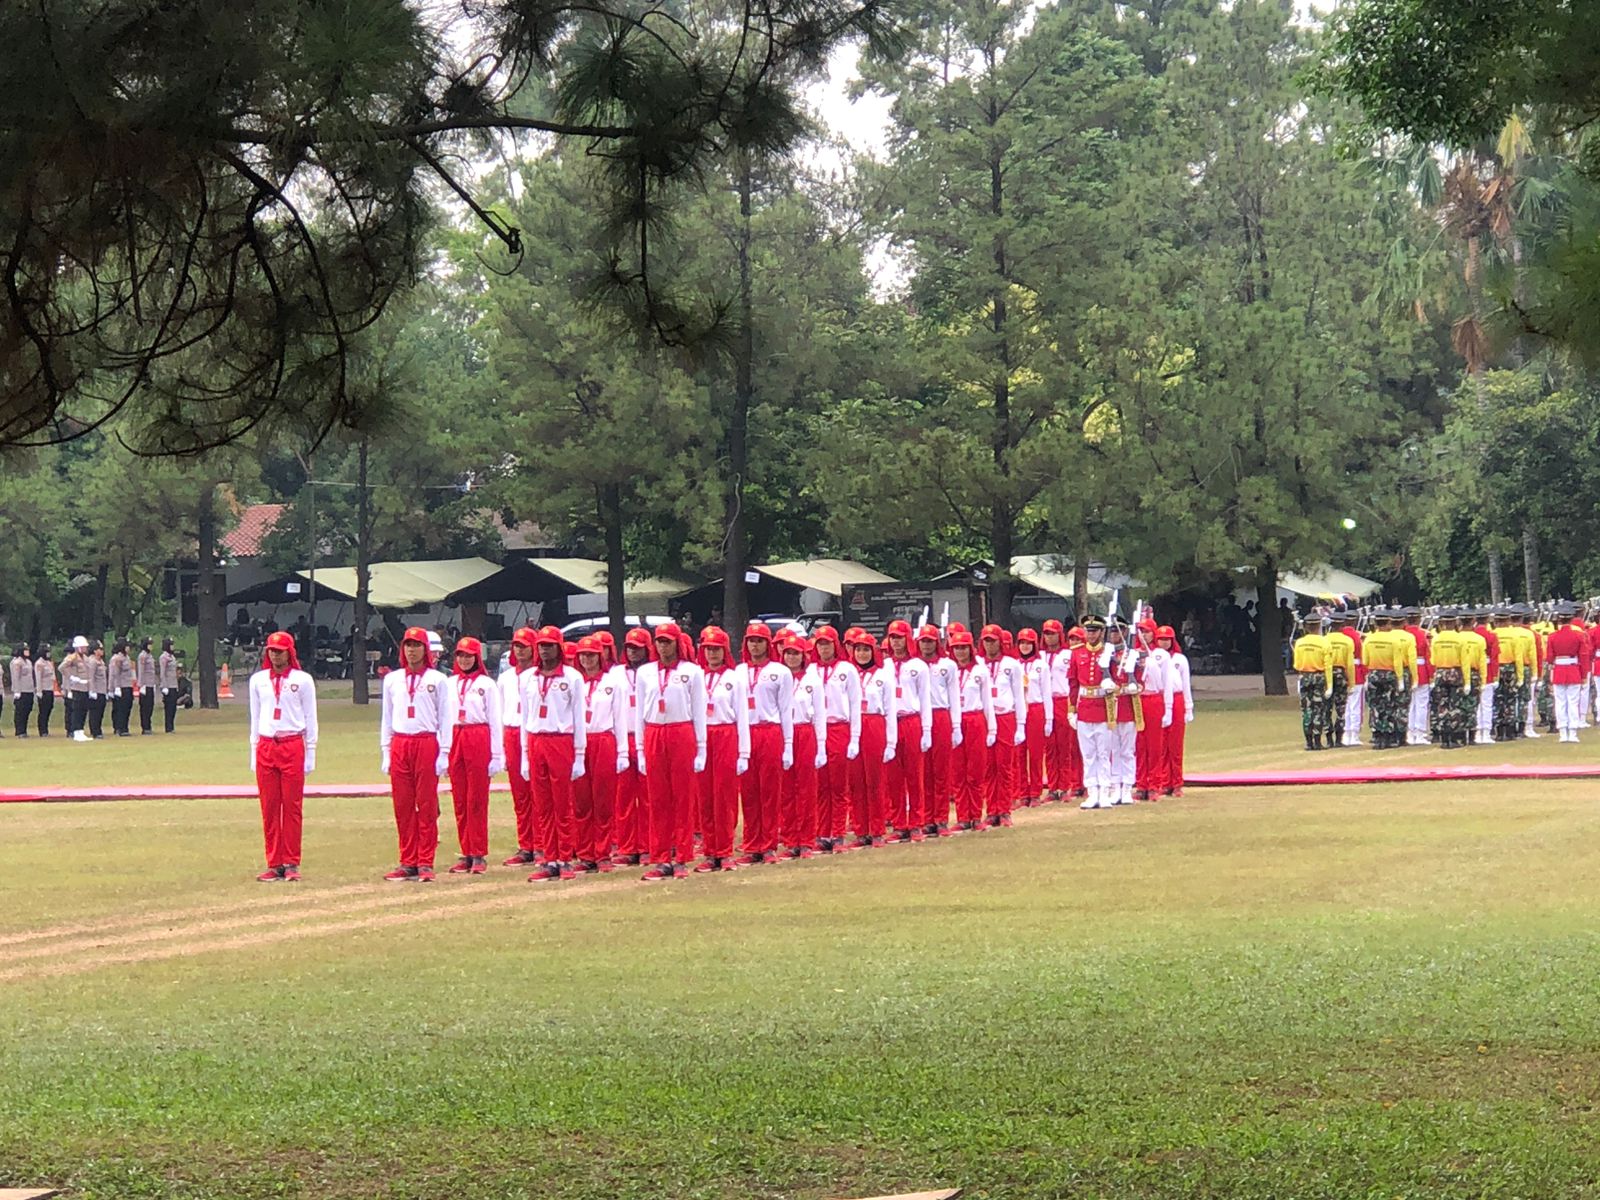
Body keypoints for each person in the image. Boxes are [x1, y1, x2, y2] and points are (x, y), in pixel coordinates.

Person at [635, 622, 707, 881]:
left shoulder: (692, 672)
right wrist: (640, 750)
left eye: (668, 641)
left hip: (681, 731)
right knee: (658, 799)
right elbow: (639, 713)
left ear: (678, 643)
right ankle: (661, 856)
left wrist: (701, 749)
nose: (663, 646)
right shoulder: (644, 673)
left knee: (683, 797)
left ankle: (682, 856)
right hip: (654, 730)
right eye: (660, 641)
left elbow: (698, 711)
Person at [379, 627, 452, 882]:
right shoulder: (392, 679)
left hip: (426, 741)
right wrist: (386, 751)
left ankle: (425, 860)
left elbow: (445, 717)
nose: (412, 650)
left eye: (416, 645)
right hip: (400, 741)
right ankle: (407, 859)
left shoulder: (437, 680)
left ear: (425, 650)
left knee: (427, 803)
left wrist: (444, 752)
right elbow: (386, 717)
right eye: (408, 645)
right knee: (403, 805)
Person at [248, 631, 318, 882]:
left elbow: (311, 717)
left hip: (291, 743)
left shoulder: (303, 680)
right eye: (271, 650)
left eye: (279, 650)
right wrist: (253, 751)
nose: (275, 655)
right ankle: (274, 861)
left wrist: (311, 752)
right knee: (269, 806)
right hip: (267, 743)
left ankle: (291, 862)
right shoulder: (258, 680)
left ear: (290, 652)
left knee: (292, 805)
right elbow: (255, 717)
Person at [521, 627, 586, 883]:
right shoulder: (528, 678)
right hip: (536, 739)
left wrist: (579, 754)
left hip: (561, 741)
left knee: (563, 802)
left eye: (550, 645)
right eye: (542, 645)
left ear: (559, 647)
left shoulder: (571, 677)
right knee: (543, 804)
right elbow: (526, 718)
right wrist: (525, 755)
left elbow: (579, 717)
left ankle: (566, 857)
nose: (545, 650)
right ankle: (549, 857)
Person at [444, 636, 504, 876]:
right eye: (461, 655)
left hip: (478, 735)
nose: (465, 659)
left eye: (469, 656)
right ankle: (466, 851)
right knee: (459, 798)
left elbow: (495, 720)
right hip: (455, 734)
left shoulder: (486, 684)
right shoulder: (449, 683)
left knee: (476, 798)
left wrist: (496, 754)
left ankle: (479, 852)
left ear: (477, 657)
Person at [735, 622, 793, 866]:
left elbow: (786, 709)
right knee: (748, 792)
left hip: (770, 730)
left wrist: (787, 743)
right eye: (751, 640)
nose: (755, 645)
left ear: (767, 644)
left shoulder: (780, 672)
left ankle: (768, 844)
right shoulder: (737, 672)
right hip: (746, 731)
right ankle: (751, 843)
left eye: (759, 641)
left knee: (769, 791)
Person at [573, 634, 627, 874]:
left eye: (591, 655)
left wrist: (622, 751)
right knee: (582, 800)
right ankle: (585, 853)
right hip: (579, 742)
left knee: (603, 799)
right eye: (583, 655)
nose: (587, 659)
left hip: (604, 739)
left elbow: (620, 717)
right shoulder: (574, 682)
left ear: (601, 656)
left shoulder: (612, 683)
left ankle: (603, 852)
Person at [697, 626, 749, 873]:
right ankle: (710, 850)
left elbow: (742, 716)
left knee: (725, 795)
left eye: (717, 649)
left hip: (726, 733)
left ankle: (725, 850)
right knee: (705, 796)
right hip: (703, 736)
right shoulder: (697, 676)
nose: (712, 654)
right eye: (708, 649)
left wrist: (743, 751)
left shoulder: (734, 678)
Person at [1070, 615, 1136, 810]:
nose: (1090, 635)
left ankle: (1105, 791)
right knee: (1088, 754)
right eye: (1088, 631)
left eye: (1094, 631)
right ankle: (1092, 791)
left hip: (1103, 705)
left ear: (1101, 633)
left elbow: (1119, 678)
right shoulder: (1077, 653)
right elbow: (1073, 683)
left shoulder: (1110, 653)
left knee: (1104, 752)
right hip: (1085, 706)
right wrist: (1072, 709)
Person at [883, 618, 933, 842]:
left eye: (899, 637)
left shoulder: (918, 666)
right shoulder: (883, 666)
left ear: (907, 639)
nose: (895, 642)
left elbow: (925, 699)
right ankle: (899, 823)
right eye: (892, 637)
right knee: (893, 777)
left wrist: (926, 729)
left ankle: (916, 822)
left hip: (912, 720)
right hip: (891, 722)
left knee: (914, 774)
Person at [845, 631, 896, 849]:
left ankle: (876, 830)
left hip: (875, 723)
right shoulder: (848, 674)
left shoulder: (883, 675)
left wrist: (891, 741)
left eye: (866, 649)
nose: (862, 654)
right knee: (856, 781)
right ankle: (860, 829)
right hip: (853, 724)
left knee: (874, 780)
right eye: (858, 649)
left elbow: (891, 709)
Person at [779, 634, 827, 860]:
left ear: (803, 656)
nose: (791, 657)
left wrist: (821, 745)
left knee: (806, 788)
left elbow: (819, 714)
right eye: (787, 653)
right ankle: (790, 839)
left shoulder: (812, 680)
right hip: (782, 734)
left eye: (795, 653)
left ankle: (807, 839)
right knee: (786, 789)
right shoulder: (777, 678)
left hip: (805, 731)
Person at [812, 626, 859, 854]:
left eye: (827, 644)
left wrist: (854, 737)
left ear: (835, 645)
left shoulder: (846, 669)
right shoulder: (810, 669)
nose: (823, 648)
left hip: (839, 727)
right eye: (820, 644)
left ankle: (838, 833)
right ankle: (822, 833)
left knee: (839, 784)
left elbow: (854, 704)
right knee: (821, 785)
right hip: (816, 730)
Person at [611, 628, 654, 868]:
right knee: (623, 797)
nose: (632, 652)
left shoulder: (652, 672)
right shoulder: (616, 674)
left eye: (637, 648)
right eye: (629, 647)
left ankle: (648, 845)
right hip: (623, 735)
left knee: (648, 796)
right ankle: (628, 846)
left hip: (647, 735)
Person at [498, 627, 540, 866]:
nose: (520, 650)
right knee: (520, 794)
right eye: (516, 646)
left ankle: (543, 843)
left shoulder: (538, 675)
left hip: (533, 732)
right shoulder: (505, 678)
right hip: (511, 732)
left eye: (525, 646)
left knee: (538, 792)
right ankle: (526, 844)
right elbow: (501, 709)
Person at [915, 624, 961, 835]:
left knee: (941, 770)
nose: (926, 645)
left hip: (941, 714)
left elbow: (953, 696)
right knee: (923, 771)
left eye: (930, 641)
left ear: (937, 642)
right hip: (919, 717)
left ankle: (941, 818)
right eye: (923, 641)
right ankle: (925, 818)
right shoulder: (912, 665)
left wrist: (955, 725)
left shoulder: (948, 665)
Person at [949, 628, 996, 831]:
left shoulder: (980, 670)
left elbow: (988, 701)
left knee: (975, 771)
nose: (960, 652)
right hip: (955, 720)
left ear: (971, 649)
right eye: (956, 648)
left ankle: (976, 815)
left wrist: (991, 728)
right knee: (958, 771)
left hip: (975, 718)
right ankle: (962, 817)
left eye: (963, 648)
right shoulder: (949, 669)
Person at [980, 624, 1026, 827]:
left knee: (1004, 765)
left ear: (1001, 642)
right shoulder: (979, 664)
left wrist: (1021, 724)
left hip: (1005, 716)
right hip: (985, 717)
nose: (990, 645)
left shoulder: (1012, 664)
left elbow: (1019, 695)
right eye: (986, 641)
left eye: (993, 640)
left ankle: (1005, 809)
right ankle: (991, 809)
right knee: (988, 766)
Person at [1130, 619, 1175, 801]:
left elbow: (1167, 683)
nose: (1144, 634)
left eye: (1147, 631)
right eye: (1141, 631)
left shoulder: (1161, 655)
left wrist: (1168, 708)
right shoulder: (1133, 653)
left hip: (1155, 698)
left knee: (1154, 744)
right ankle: (1141, 783)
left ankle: (1155, 784)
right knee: (1139, 744)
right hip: (1138, 698)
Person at [1040, 621, 1083, 801]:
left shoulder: (1068, 654)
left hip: (1063, 699)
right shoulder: (1039, 656)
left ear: (1060, 635)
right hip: (1045, 701)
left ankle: (1066, 785)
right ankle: (1052, 786)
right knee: (1049, 747)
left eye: (1053, 633)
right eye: (1046, 633)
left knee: (1066, 744)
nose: (1050, 637)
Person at [1014, 629, 1053, 807]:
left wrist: (1049, 718)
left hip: (1036, 709)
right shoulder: (1014, 665)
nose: (1024, 646)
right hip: (1018, 710)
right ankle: (1022, 792)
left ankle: (1035, 791)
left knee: (1036, 753)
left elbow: (1046, 692)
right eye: (1022, 642)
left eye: (1028, 643)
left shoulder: (1041, 665)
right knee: (1019, 754)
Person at [1155, 626, 1193, 795]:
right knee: (1161, 744)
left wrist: (1188, 707)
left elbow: (1186, 685)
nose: (1164, 642)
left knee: (1175, 745)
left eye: (1167, 639)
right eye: (1161, 639)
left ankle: (1177, 782)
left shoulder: (1180, 659)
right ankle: (1163, 781)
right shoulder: (1153, 657)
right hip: (1160, 699)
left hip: (1177, 700)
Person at [1546, 605, 1589, 743]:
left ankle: (1563, 732)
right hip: (1573, 670)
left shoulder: (1552, 636)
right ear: (1571, 620)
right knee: (1573, 702)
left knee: (1560, 702)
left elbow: (1549, 658)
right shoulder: (1578, 635)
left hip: (1558, 670)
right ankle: (1573, 732)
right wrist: (1584, 675)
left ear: (1559, 620)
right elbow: (1583, 656)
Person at [1291, 618, 1335, 751]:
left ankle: (1308, 741)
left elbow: (1297, 664)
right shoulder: (1324, 642)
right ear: (1319, 626)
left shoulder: (1299, 643)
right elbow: (1328, 665)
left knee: (1306, 710)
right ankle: (1317, 741)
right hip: (1318, 676)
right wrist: (1330, 685)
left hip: (1304, 676)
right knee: (1318, 709)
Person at [1402, 608, 1433, 745]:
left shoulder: (1402, 634)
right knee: (1421, 703)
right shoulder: (1422, 635)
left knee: (1409, 704)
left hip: (1405, 669)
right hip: (1421, 670)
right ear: (1419, 619)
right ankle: (1419, 733)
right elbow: (1427, 655)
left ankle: (1409, 733)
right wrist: (1431, 673)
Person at [62, 636, 91, 742]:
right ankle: (75, 731)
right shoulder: (72, 657)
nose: (85, 648)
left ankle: (81, 730)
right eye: (83, 647)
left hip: (85, 687)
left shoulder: (85, 658)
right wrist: (72, 677)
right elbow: (62, 667)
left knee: (83, 710)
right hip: (76, 687)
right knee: (77, 710)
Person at [108, 638, 135, 737]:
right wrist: (115, 688)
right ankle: (119, 727)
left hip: (128, 685)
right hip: (120, 686)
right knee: (120, 708)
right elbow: (115, 674)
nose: (129, 648)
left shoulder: (126, 657)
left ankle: (125, 727)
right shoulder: (117, 658)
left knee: (127, 707)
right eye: (127, 646)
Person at [86, 640, 109, 740]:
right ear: (95, 651)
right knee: (95, 712)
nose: (102, 651)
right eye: (100, 649)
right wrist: (92, 690)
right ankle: (95, 731)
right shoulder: (92, 661)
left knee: (100, 712)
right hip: (96, 690)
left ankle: (98, 729)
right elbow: (91, 677)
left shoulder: (100, 661)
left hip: (102, 690)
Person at [9, 644, 33, 738]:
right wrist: (17, 691)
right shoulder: (17, 662)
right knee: (20, 711)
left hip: (29, 689)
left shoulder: (28, 662)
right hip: (21, 690)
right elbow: (15, 677)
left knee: (27, 709)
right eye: (25, 650)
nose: (27, 651)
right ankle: (19, 730)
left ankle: (24, 729)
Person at [135, 637, 157, 734]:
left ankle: (149, 724)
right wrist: (141, 685)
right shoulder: (142, 656)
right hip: (145, 684)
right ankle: (145, 726)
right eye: (149, 644)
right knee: (145, 707)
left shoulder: (150, 656)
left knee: (150, 705)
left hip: (151, 683)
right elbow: (141, 671)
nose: (151, 646)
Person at [33, 645, 56, 736]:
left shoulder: (49, 663)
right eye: (46, 652)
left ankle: (46, 728)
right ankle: (42, 730)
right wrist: (39, 691)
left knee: (49, 708)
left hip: (50, 689)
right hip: (43, 690)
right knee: (43, 710)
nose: (48, 653)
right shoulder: (39, 663)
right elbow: (38, 678)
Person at [158, 638, 180, 733]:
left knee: (173, 707)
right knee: (169, 707)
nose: (172, 647)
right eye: (171, 645)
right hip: (168, 685)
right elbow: (162, 672)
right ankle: (168, 726)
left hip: (174, 684)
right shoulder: (164, 657)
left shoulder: (172, 657)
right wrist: (164, 685)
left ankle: (172, 725)